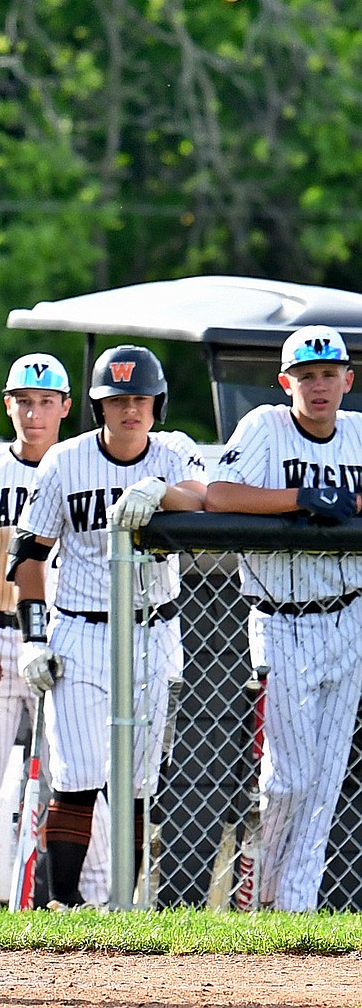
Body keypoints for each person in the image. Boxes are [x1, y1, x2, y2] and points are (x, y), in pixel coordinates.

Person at [9, 345, 206, 909]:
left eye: (140, 399)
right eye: (118, 400)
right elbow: (28, 553)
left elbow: (207, 497)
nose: (130, 411)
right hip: (82, 629)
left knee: (139, 784)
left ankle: (125, 903)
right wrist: (33, 636)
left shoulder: (175, 450)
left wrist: (161, 492)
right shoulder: (65, 461)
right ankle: (62, 903)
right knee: (75, 776)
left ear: (157, 403)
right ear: (98, 406)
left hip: (154, 627)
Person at [0, 353, 107, 908]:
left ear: (65, 408)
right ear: (9, 405)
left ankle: (99, 902)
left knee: (81, 776)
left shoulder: (82, 466)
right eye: (24, 401)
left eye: (46, 402)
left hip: (65, 637)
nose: (34, 413)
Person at [205, 324, 362, 911]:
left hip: (350, 617)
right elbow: (219, 495)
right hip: (282, 618)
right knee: (288, 779)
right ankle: (260, 890)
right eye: (306, 375)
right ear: (285, 382)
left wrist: (345, 502)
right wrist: (304, 498)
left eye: (328, 374)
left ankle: (294, 910)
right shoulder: (265, 426)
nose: (318, 386)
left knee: (324, 784)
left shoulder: (359, 433)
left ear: (348, 380)